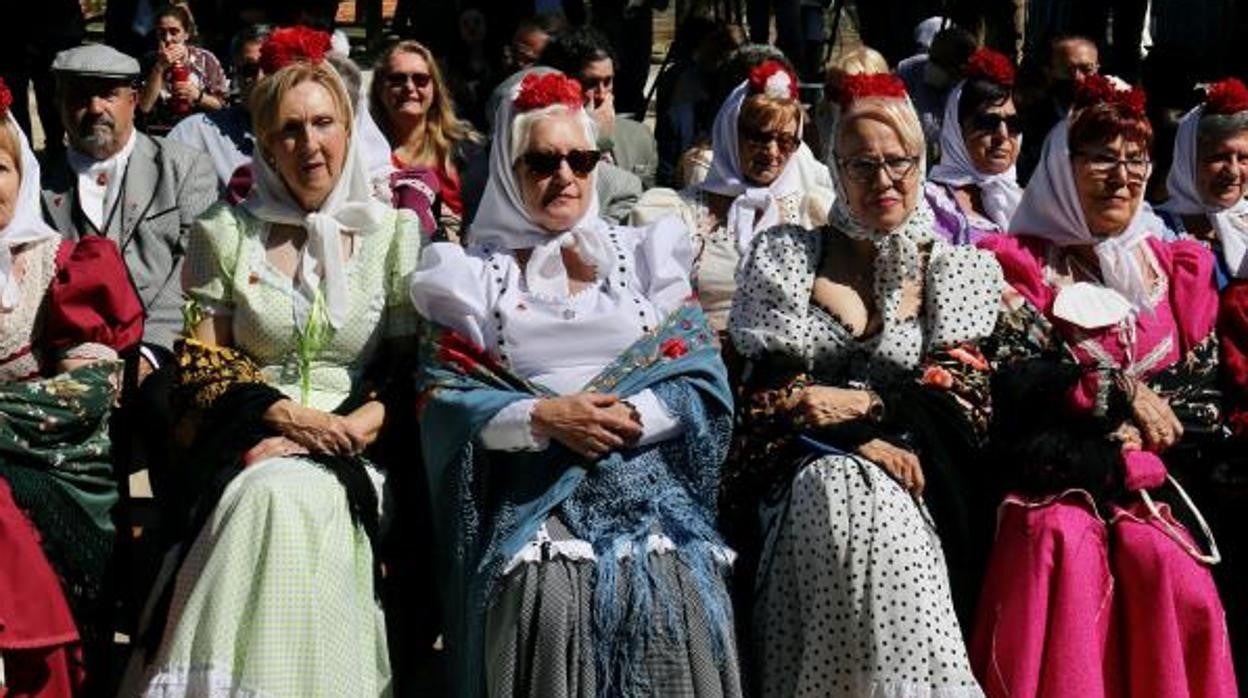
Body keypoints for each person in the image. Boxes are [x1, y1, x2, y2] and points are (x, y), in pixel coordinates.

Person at [412, 70, 742, 698]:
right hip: (534, 488)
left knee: (680, 594)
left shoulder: (645, 254)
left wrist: (627, 420)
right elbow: (445, 399)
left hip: (645, 473)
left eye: (581, 158)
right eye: (542, 161)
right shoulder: (470, 278)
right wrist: (545, 418)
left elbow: (700, 378)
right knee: (552, 598)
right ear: (509, 169)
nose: (565, 175)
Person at [131, 30, 422, 697]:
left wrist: (352, 428)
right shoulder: (225, 233)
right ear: (264, 143)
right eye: (289, 131)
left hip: (357, 439)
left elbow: (413, 371)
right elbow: (203, 371)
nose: (310, 145)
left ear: (350, 130)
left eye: (324, 124)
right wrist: (285, 419)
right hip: (248, 437)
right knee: (268, 492)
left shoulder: (393, 235)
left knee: (295, 496)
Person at [727, 71, 995, 697]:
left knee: (874, 502)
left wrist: (868, 407)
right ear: (835, 169)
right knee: (841, 486)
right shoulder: (789, 257)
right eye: (862, 166)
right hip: (801, 468)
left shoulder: (951, 269)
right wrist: (853, 443)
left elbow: (962, 396)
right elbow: (769, 388)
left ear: (919, 162)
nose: (884, 182)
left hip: (922, 476)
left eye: (898, 163)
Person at [973, 75, 1239, 698]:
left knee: (1165, 562)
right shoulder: (1019, 267)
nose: (1123, 175)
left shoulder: (1170, 268)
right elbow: (1013, 381)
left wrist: (1141, 437)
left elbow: (1199, 396)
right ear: (1065, 166)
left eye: (1136, 159)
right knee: (1060, 543)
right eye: (1102, 158)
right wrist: (1113, 401)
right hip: (1057, 481)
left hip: (1157, 484)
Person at [0, 76, 144, 697]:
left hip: (49, 453)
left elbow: (93, 384)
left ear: (22, 173)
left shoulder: (63, 263)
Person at [631, 60, 834, 334]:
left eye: (786, 141)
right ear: (730, 133)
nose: (772, 152)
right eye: (759, 137)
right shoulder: (679, 213)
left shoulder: (811, 212)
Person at [370, 39, 484, 240]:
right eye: (397, 79)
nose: (409, 87)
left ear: (435, 89)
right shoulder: (364, 152)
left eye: (420, 79)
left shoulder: (466, 150)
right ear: (380, 89)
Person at [925, 47, 1023, 245]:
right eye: (987, 122)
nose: (1002, 135)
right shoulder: (929, 204)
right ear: (957, 129)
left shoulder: (1028, 202)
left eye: (1013, 124)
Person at [543, 26, 660, 189]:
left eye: (607, 82)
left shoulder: (640, 138)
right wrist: (595, 141)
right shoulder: (543, 146)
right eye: (589, 83)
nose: (602, 94)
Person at [166, 23, 270, 192]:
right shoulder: (196, 134)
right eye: (249, 70)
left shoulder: (310, 135)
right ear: (237, 76)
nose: (260, 79)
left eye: (270, 67)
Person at [1016, 34, 1098, 182]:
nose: (1078, 78)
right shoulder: (1029, 120)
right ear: (1049, 72)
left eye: (1086, 69)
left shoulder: (1109, 116)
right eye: (1068, 70)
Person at [138, 3, 229, 135]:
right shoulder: (148, 62)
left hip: (199, 133)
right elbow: (143, 108)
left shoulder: (205, 60)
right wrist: (159, 68)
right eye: (162, 33)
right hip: (159, 134)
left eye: (174, 32)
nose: (168, 39)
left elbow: (224, 106)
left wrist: (198, 96)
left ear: (186, 34)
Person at [895, 25, 978, 166]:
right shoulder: (909, 70)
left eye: (938, 62)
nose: (930, 65)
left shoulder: (970, 91)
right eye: (931, 57)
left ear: (959, 69)